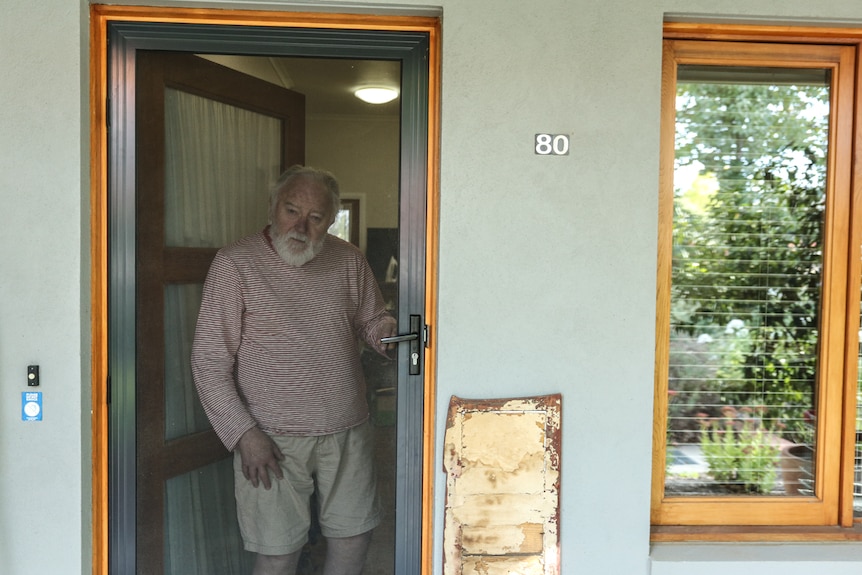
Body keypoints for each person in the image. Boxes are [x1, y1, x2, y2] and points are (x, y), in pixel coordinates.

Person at [191, 165, 397, 575]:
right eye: (291, 210)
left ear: (331, 220)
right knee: (277, 551)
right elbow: (209, 362)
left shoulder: (349, 260)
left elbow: (371, 321)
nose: (300, 225)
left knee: (354, 538)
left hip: (347, 429)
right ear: (272, 207)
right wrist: (244, 434)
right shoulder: (235, 264)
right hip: (270, 438)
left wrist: (390, 334)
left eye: (316, 217)